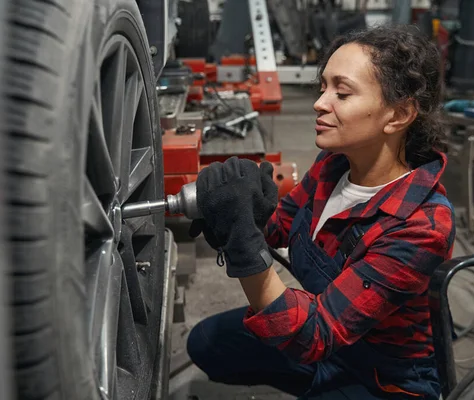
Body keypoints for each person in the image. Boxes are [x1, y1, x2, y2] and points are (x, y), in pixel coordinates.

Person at [186, 24, 455, 400]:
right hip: (325, 337)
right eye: (322, 87)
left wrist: (242, 243)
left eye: (341, 93)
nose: (320, 102)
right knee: (206, 343)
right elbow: (279, 228)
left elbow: (315, 333)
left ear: (398, 115)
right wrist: (247, 206)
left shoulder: (422, 225)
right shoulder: (333, 165)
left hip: (382, 375)